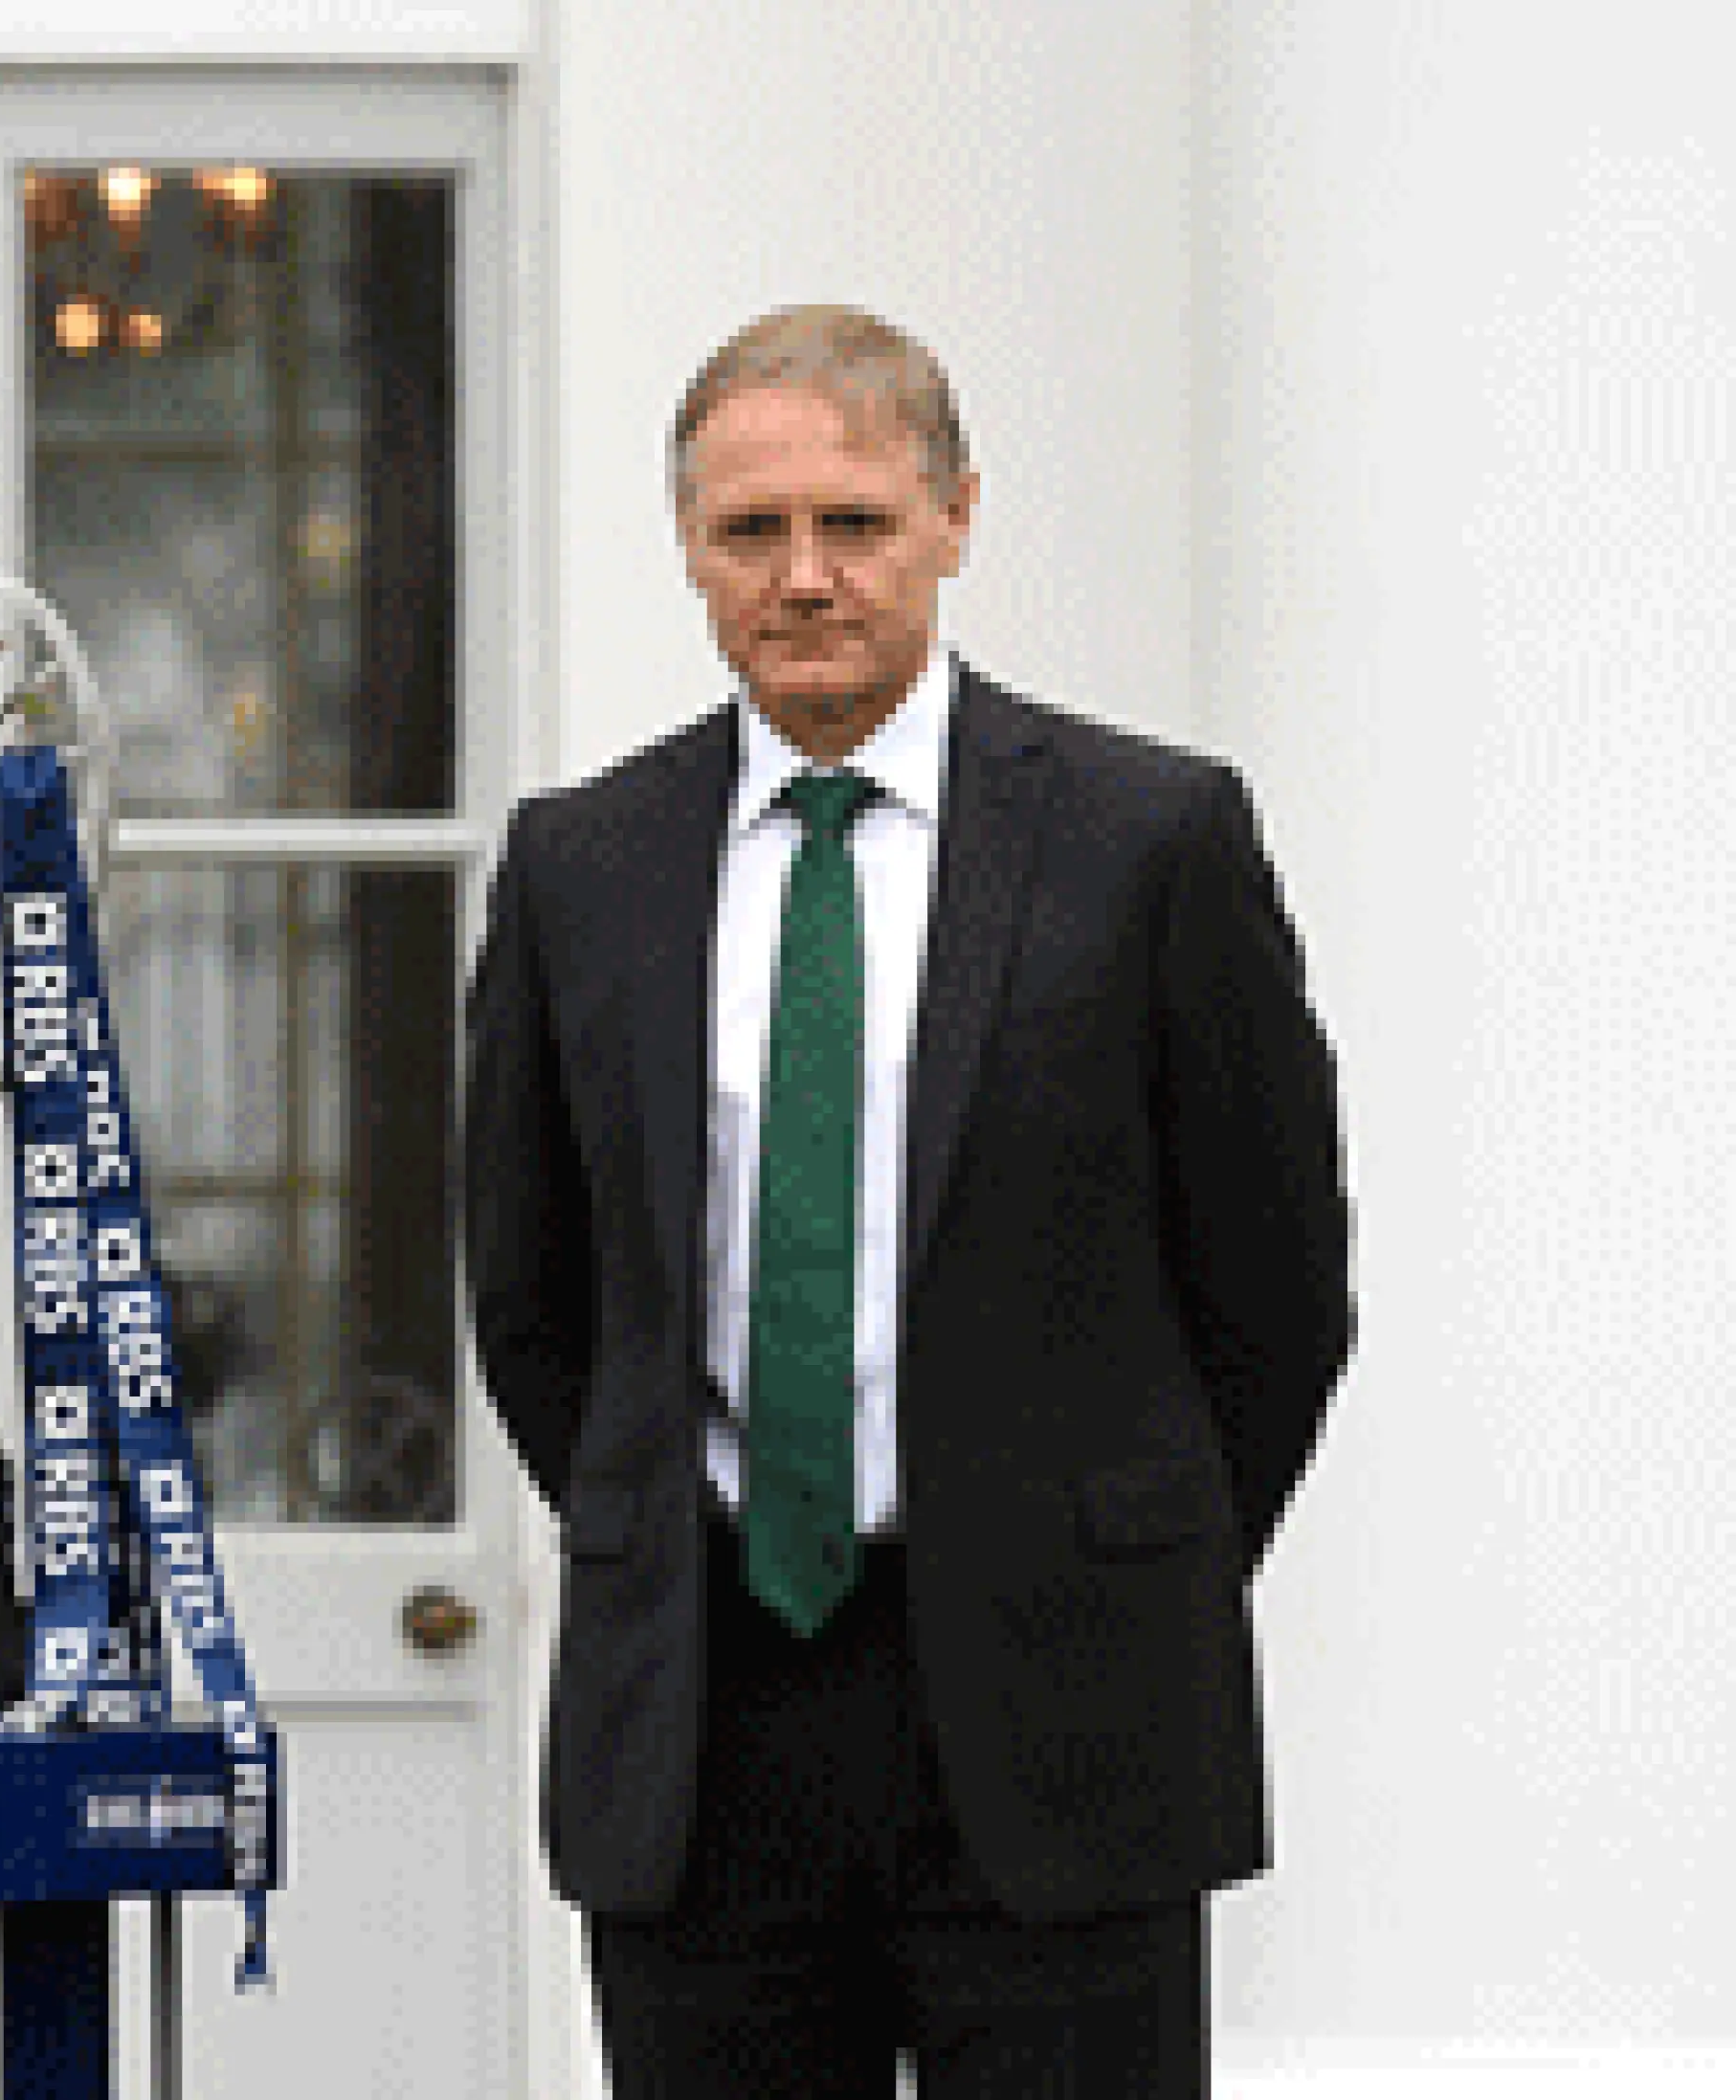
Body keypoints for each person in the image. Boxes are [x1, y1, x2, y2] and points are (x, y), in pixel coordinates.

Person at [460, 305, 1350, 2096]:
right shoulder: (581, 865)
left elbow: (1274, 1290)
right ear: (688, 547)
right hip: (705, 1721)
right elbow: (536, 1298)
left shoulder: (1149, 840)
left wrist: (1111, 1556)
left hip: (1065, 1713)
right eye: (751, 530)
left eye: (854, 523)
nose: (804, 578)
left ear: (955, 517)